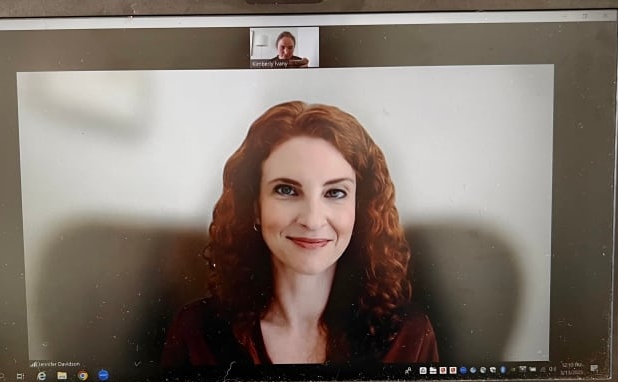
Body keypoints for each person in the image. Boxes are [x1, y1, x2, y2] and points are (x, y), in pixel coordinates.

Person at [161, 101, 437, 366]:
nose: (312, 220)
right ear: (254, 206)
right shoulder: (195, 331)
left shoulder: (409, 336)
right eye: (287, 190)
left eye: (335, 192)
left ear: (359, 209)